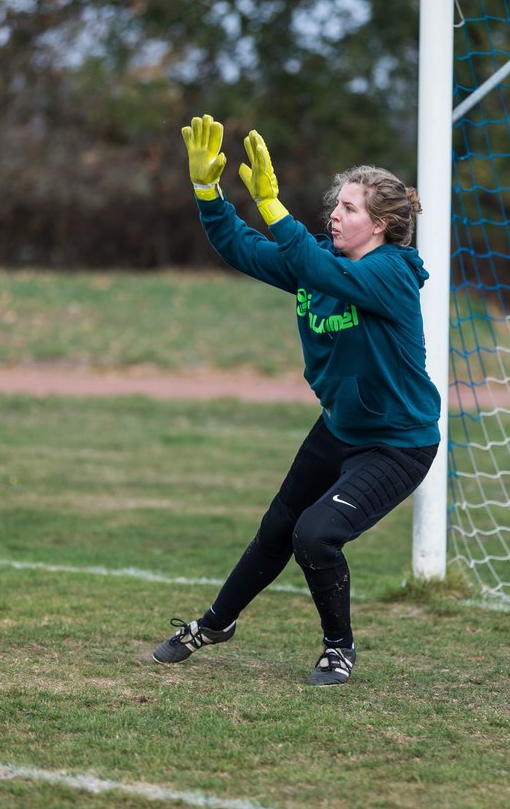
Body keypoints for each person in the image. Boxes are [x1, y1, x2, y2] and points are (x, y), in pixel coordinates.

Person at [151, 114, 441, 686]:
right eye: (336, 203)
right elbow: (242, 248)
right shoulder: (322, 265)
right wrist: (208, 191)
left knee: (315, 534)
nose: (334, 213)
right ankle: (213, 625)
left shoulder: (393, 273)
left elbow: (308, 262)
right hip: (339, 429)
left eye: (350, 208)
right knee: (277, 528)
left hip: (397, 444)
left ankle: (339, 649)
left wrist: (271, 203)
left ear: (381, 225)